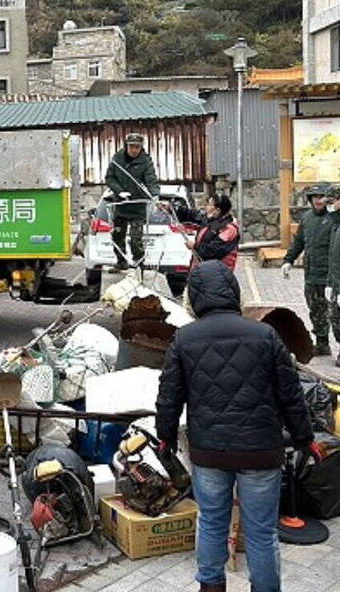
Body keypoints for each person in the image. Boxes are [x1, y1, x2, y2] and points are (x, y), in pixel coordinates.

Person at [156, 260, 321, 592]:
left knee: (211, 523)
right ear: (232, 291)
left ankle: (211, 587)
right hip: (261, 451)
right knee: (261, 532)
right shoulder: (265, 334)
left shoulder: (184, 339)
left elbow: (169, 396)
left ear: (196, 296)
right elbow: (290, 394)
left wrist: (166, 437)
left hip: (209, 452)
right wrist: (305, 438)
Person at [282, 183, 340, 357]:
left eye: (321, 197)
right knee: (315, 310)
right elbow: (299, 241)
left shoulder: (335, 219)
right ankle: (322, 343)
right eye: (314, 197)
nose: (318, 201)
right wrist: (288, 260)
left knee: (335, 314)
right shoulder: (307, 218)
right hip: (312, 275)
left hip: (330, 276)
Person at [104, 133, 160, 270]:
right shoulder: (117, 159)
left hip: (137, 206)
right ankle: (121, 261)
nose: (134, 150)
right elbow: (109, 178)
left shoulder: (145, 161)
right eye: (131, 146)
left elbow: (151, 179)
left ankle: (139, 263)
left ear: (141, 147)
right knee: (117, 236)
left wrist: (155, 195)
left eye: (137, 147)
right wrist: (119, 191)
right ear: (126, 146)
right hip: (121, 205)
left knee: (136, 239)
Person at [177, 194, 240, 271]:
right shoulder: (211, 219)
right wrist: (175, 209)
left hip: (217, 272)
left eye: (209, 204)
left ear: (217, 210)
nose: (206, 207)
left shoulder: (229, 229)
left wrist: (194, 246)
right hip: (203, 268)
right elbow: (194, 216)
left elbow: (212, 251)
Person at [324, 185, 340, 366]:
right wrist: (330, 283)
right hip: (335, 282)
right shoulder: (336, 224)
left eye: (332, 201)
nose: (329, 205)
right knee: (335, 319)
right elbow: (333, 258)